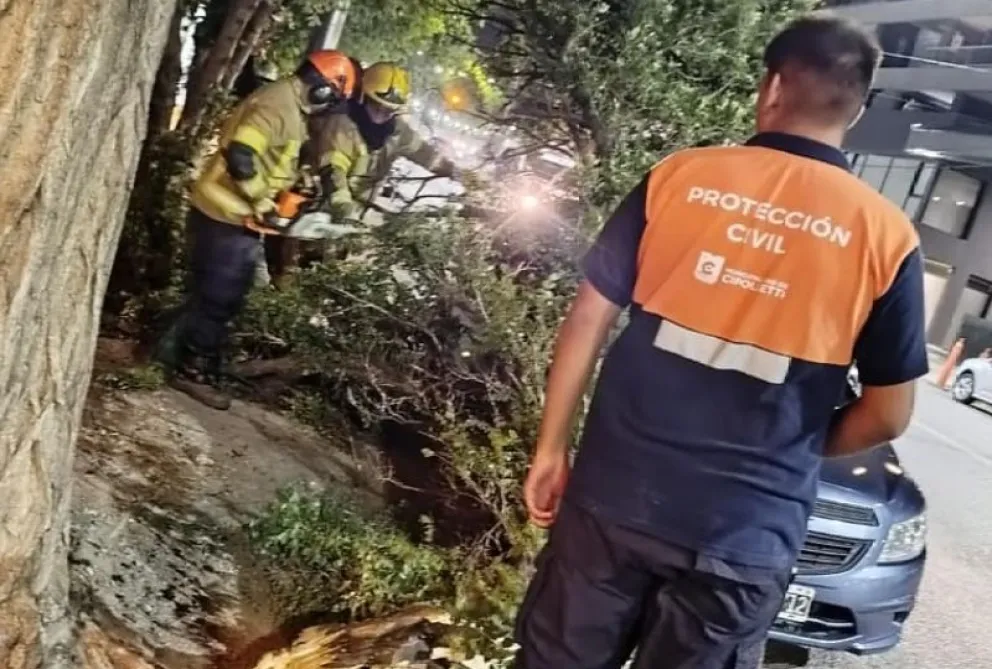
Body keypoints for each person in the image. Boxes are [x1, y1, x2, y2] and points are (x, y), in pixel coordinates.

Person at [515, 15, 928, 669]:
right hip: (746, 534)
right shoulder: (886, 236)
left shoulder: (680, 177)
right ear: (857, 106)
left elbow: (587, 318)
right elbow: (889, 412)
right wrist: (790, 451)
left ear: (771, 87)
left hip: (613, 499)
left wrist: (550, 447)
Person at [155, 50, 358, 410]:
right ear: (323, 90)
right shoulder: (278, 105)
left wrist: (294, 185)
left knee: (215, 292)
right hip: (225, 209)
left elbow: (267, 159)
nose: (328, 110)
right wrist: (263, 203)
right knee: (220, 297)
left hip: (235, 213)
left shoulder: (289, 104)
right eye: (332, 100)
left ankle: (165, 351)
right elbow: (241, 155)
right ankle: (192, 370)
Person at [265, 61, 462, 282]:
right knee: (289, 276)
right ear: (363, 97)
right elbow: (333, 166)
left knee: (328, 280)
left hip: (344, 225)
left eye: (388, 110)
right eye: (376, 106)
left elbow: (424, 153)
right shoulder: (341, 124)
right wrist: (341, 202)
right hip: (310, 216)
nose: (381, 114)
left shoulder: (397, 132)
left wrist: (452, 170)